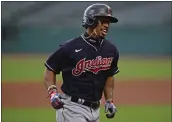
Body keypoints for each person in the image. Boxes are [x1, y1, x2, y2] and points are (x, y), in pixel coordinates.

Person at [44, 3, 120, 122]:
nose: (106, 25)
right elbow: (50, 68)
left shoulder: (111, 50)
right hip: (72, 108)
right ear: (91, 21)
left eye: (108, 22)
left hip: (95, 110)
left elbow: (109, 76)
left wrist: (109, 100)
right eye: (103, 21)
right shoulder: (69, 47)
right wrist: (53, 93)